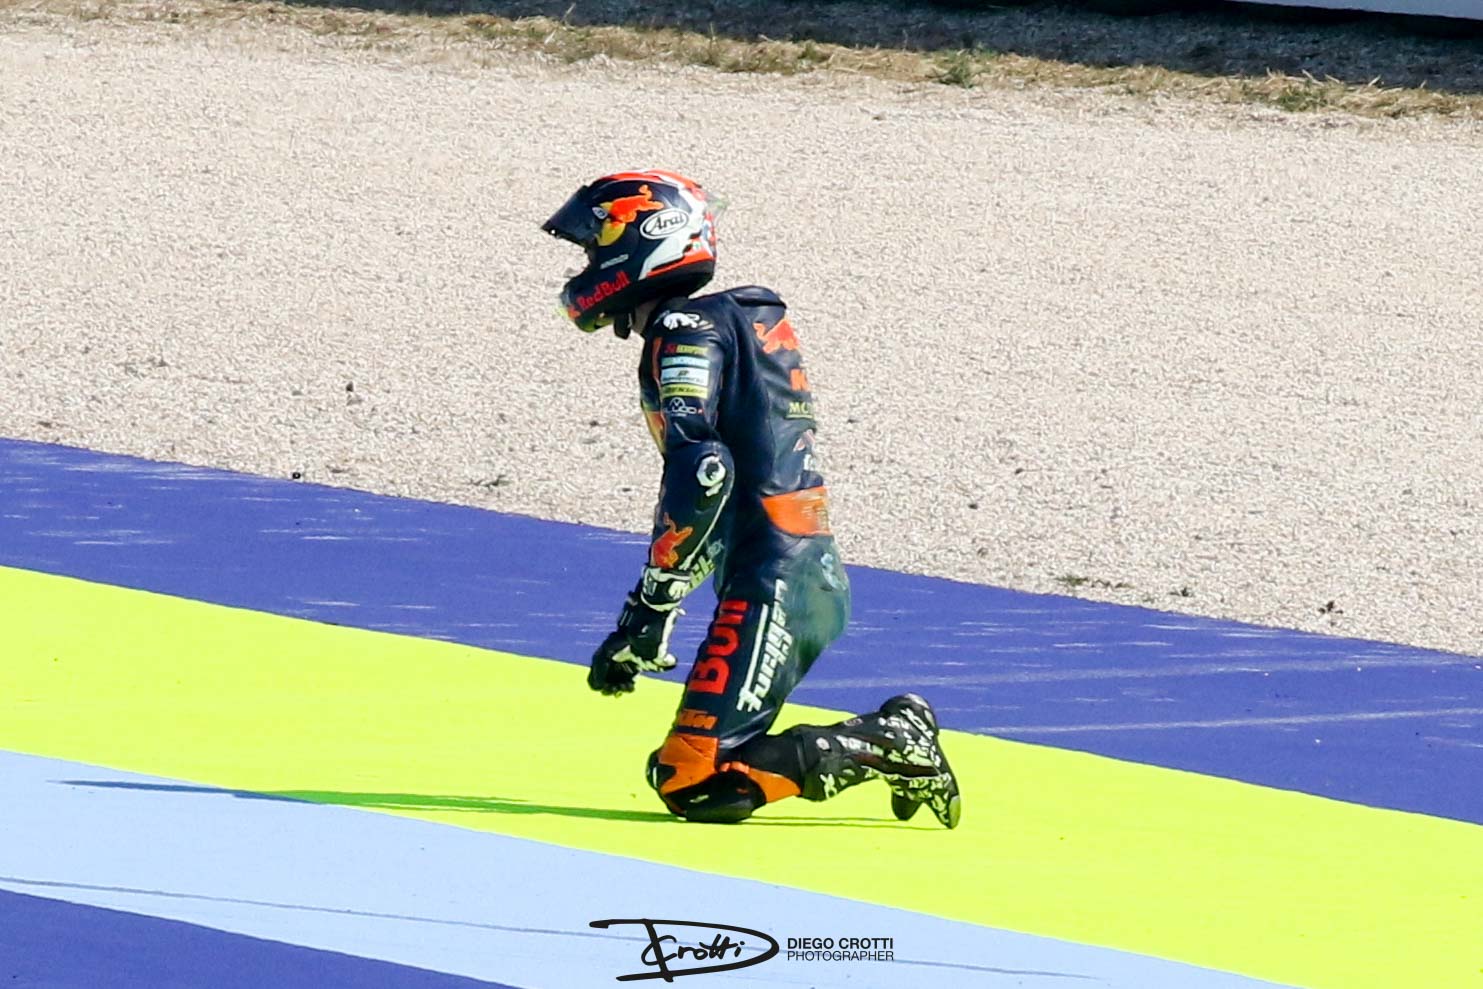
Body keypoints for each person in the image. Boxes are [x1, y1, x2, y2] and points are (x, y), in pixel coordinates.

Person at [541, 169, 960, 828]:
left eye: (597, 244)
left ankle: (893, 737)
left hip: (778, 575)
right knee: (685, 773)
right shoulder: (722, 323)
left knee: (693, 781)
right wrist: (644, 619)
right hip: (784, 568)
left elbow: (705, 470)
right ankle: (887, 737)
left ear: (648, 237)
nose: (588, 263)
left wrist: (652, 604)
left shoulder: (684, 326)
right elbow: (721, 487)